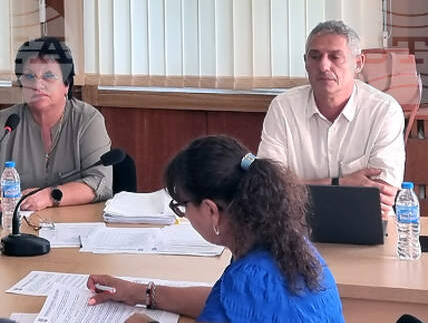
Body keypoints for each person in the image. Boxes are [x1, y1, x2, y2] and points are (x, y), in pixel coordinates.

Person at [87, 135, 344, 323]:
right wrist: (139, 293)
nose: (184, 214)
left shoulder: (247, 279)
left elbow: (235, 300)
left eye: (182, 205)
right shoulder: (285, 245)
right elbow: (224, 302)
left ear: (211, 210)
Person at [257, 20, 405, 217]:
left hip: (363, 222)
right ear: (306, 62)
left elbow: (382, 197)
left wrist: (298, 188)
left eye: (335, 57)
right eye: (315, 56)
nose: (323, 65)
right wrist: (341, 183)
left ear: (358, 63)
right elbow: (267, 188)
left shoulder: (384, 111)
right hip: (295, 224)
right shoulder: (283, 108)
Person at [0, 37, 112, 211]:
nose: (37, 85)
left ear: (66, 85)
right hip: (16, 221)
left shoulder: (87, 120)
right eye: (29, 76)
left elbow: (100, 182)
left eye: (49, 76)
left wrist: (50, 196)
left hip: (73, 222)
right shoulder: (7, 121)